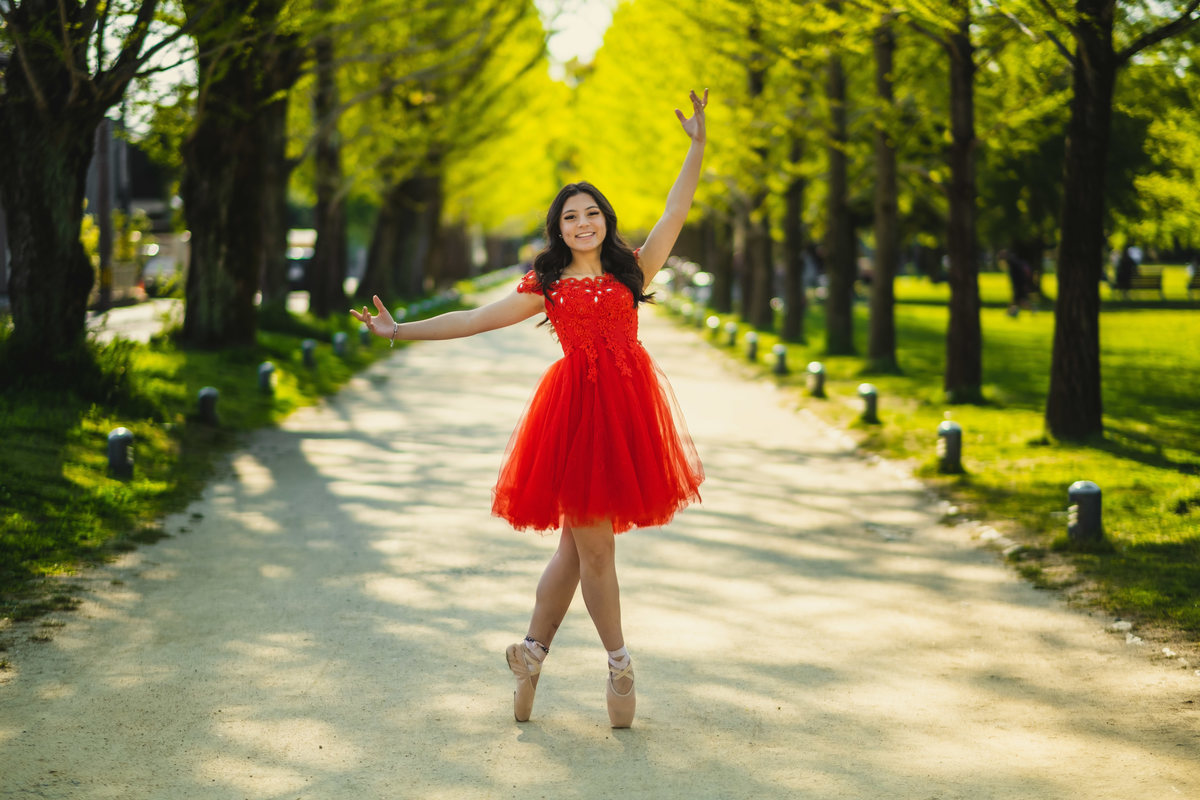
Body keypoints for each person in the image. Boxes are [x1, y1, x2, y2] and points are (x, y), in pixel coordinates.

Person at [351, 89, 709, 729]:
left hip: (626, 414)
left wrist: (697, 147)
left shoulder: (632, 271)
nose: (582, 223)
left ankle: (532, 655)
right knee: (596, 552)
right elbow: (474, 318)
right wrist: (400, 330)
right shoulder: (547, 285)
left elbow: (675, 210)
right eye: (570, 216)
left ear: (606, 220)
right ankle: (620, 666)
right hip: (574, 416)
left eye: (591, 213)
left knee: (577, 551)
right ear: (558, 227)